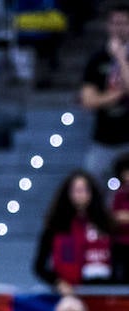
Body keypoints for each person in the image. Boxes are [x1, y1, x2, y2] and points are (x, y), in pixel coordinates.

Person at [33, 170, 115, 292]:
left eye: (85, 190)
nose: (80, 195)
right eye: (76, 190)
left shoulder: (105, 224)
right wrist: (58, 282)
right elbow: (39, 266)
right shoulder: (56, 226)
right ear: (67, 193)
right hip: (68, 292)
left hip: (104, 291)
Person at [80, 2, 129, 182]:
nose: (119, 28)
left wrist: (120, 57)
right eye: (115, 23)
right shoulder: (97, 59)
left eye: (124, 23)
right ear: (108, 26)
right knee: (90, 184)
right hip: (103, 139)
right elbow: (88, 101)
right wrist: (119, 93)